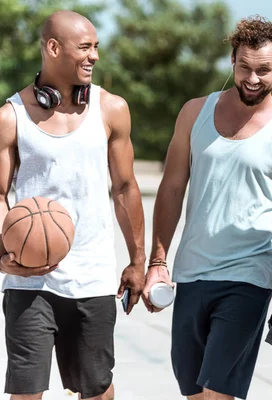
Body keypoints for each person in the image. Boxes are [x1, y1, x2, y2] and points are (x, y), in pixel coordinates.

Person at [141, 16, 272, 400]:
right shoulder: (193, 113)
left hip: (249, 275)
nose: (252, 78)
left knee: (218, 393)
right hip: (192, 272)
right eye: (244, 67)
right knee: (194, 391)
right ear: (232, 61)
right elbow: (171, 188)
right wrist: (157, 263)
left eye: (264, 70)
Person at [0, 10, 146, 400]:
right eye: (84, 47)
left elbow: (125, 188)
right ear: (52, 48)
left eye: (96, 47)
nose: (94, 56)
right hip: (29, 280)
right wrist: (3, 253)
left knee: (96, 390)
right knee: (26, 393)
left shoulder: (111, 108)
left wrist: (138, 261)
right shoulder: (11, 117)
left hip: (92, 277)